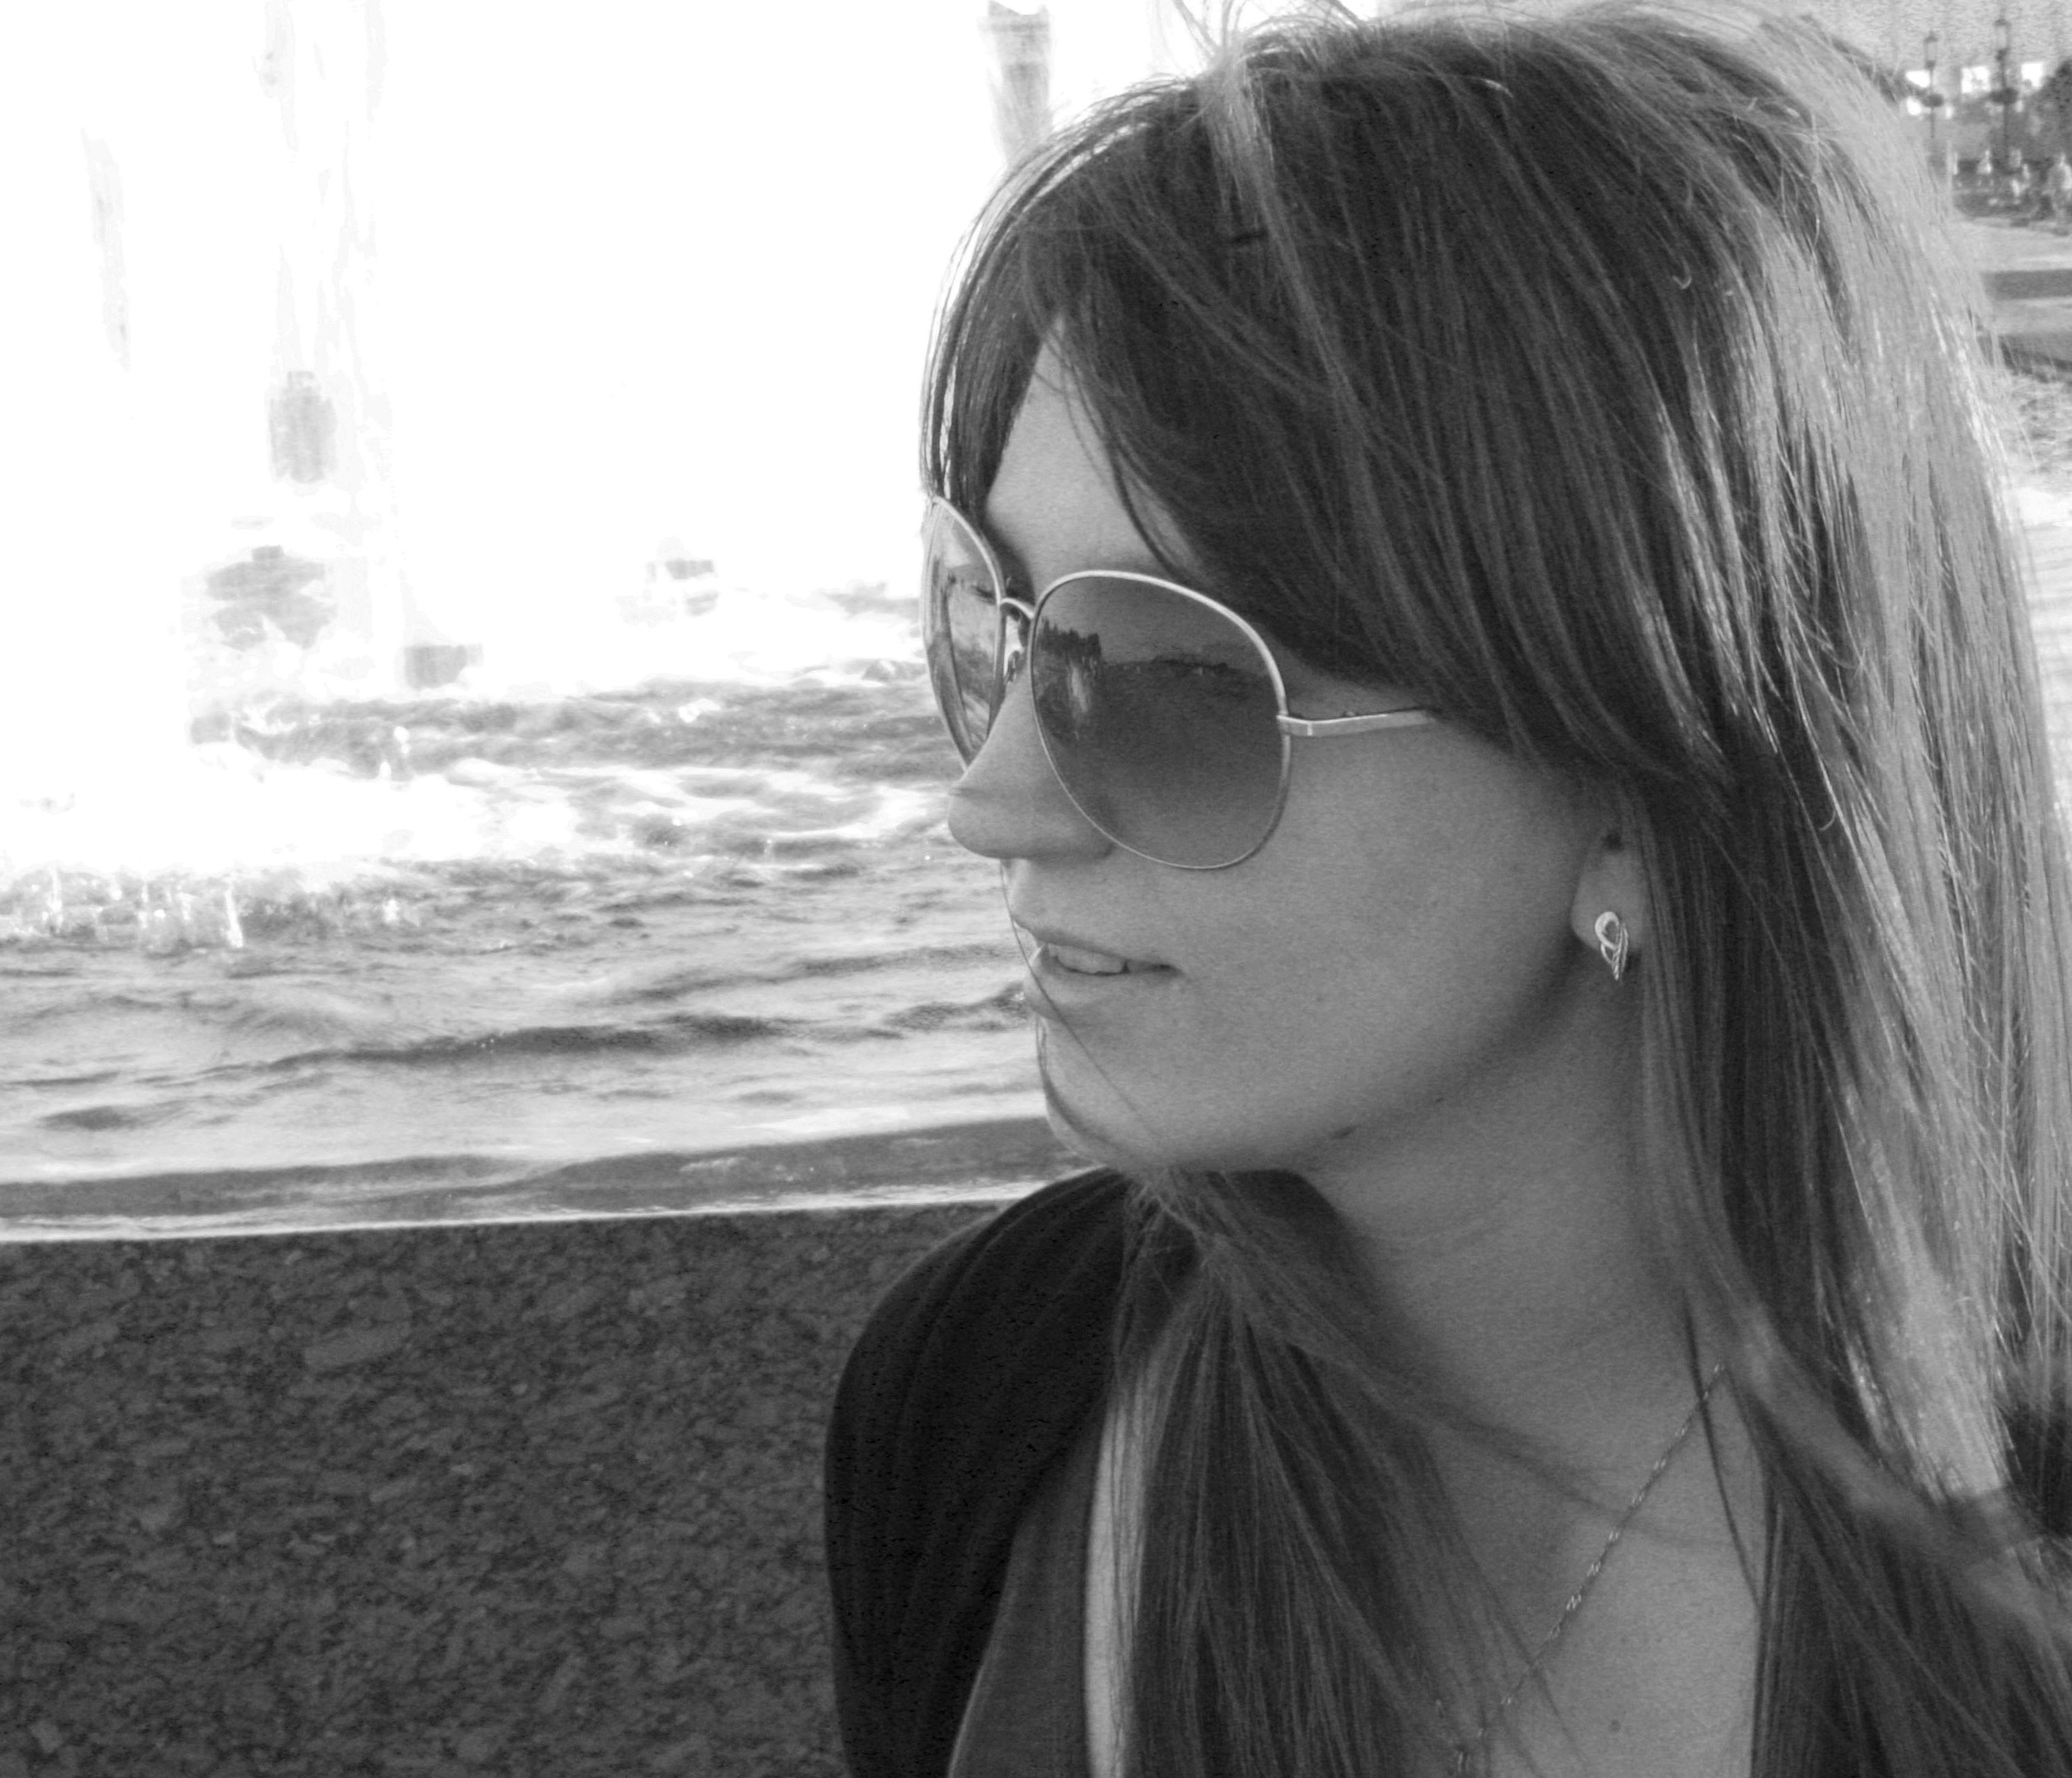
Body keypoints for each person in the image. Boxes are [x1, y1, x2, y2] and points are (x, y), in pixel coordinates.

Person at [824, 5, 2072, 1775]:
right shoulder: (997, 1408)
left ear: (1639, 785)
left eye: (1171, 677)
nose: (990, 802)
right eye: (992, 623)